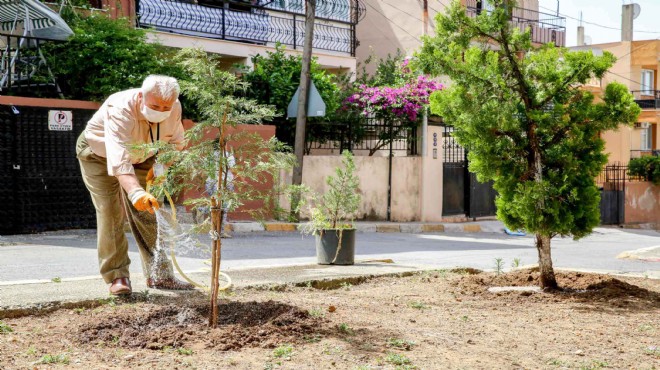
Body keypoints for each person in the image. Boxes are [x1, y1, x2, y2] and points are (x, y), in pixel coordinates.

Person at [76, 75, 194, 295]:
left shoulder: (174, 106)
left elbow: (177, 142)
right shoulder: (120, 107)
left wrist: (161, 168)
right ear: (141, 96)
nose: (161, 110)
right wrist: (135, 192)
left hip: (141, 155)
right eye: (154, 105)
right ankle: (117, 276)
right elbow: (118, 157)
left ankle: (159, 275)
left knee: (148, 211)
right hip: (98, 154)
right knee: (111, 212)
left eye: (165, 106)